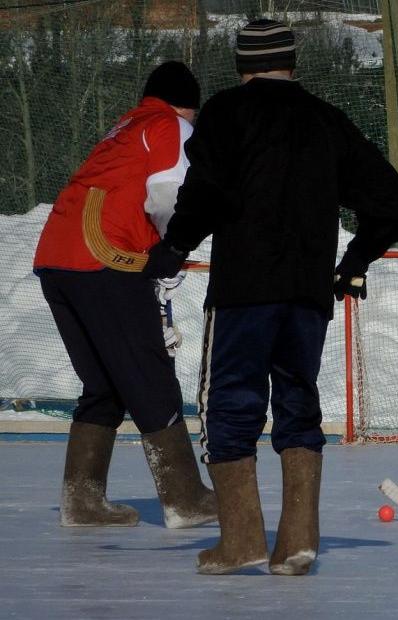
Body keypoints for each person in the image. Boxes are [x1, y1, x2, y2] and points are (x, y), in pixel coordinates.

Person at [142, 19, 398, 575]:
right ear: (293, 62)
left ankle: (240, 540)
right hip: (306, 296)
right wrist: (353, 260)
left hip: (244, 291)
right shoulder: (325, 120)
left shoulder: (226, 112)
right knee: (297, 400)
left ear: (243, 66)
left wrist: (174, 246)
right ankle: (298, 542)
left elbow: (206, 190)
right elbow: (390, 201)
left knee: (229, 404)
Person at [32, 61, 217, 529]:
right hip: (105, 256)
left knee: (106, 382)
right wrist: (173, 249)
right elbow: (169, 193)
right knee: (148, 371)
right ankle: (185, 497)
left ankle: (82, 500)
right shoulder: (170, 124)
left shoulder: (125, 126)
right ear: (186, 105)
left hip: (57, 256)